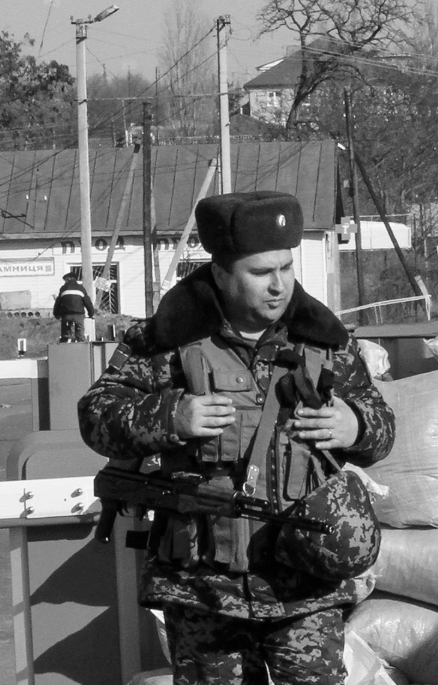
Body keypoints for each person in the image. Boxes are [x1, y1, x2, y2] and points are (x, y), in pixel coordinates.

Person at [77, 191, 396, 685]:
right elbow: (95, 417)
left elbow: (382, 428)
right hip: (205, 590)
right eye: (261, 273)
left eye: (286, 269)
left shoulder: (325, 342)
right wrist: (170, 417)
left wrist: (354, 423)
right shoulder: (164, 342)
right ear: (223, 273)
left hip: (305, 586)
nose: (279, 286)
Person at [53, 271, 97, 342]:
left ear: (68, 279)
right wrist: (91, 314)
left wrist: (56, 314)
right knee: (80, 333)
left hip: (66, 315)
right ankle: (81, 345)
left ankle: (64, 342)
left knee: (65, 333)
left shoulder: (63, 288)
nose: (65, 282)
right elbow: (88, 302)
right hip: (78, 315)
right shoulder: (81, 288)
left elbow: (58, 303)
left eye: (65, 280)